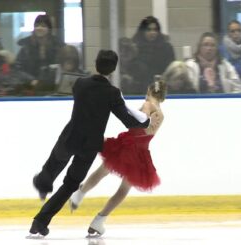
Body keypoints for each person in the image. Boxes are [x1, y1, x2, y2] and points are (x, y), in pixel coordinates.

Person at [28, 49, 159, 237]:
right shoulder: (112, 93)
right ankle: (40, 222)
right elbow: (128, 119)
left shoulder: (80, 84)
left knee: (53, 165)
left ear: (95, 63)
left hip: (70, 137)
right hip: (89, 146)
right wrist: (146, 121)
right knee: (71, 184)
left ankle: (42, 184)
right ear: (113, 69)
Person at [69, 76, 167, 237]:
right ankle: (98, 221)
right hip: (141, 152)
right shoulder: (161, 114)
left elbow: (139, 119)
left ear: (149, 90)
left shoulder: (148, 104)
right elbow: (148, 132)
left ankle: (79, 194)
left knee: (102, 171)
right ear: (163, 96)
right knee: (122, 190)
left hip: (128, 146)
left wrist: (122, 102)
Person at [15, 14, 64, 96]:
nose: (39, 28)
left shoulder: (57, 46)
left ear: (49, 29)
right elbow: (17, 69)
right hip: (30, 89)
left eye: (43, 26)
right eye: (37, 25)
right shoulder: (26, 46)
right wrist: (31, 80)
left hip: (53, 89)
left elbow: (62, 66)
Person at [131, 16, 175, 94]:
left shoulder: (166, 48)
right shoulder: (135, 48)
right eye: (148, 29)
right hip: (138, 89)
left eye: (155, 30)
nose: (152, 33)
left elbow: (171, 70)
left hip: (161, 87)